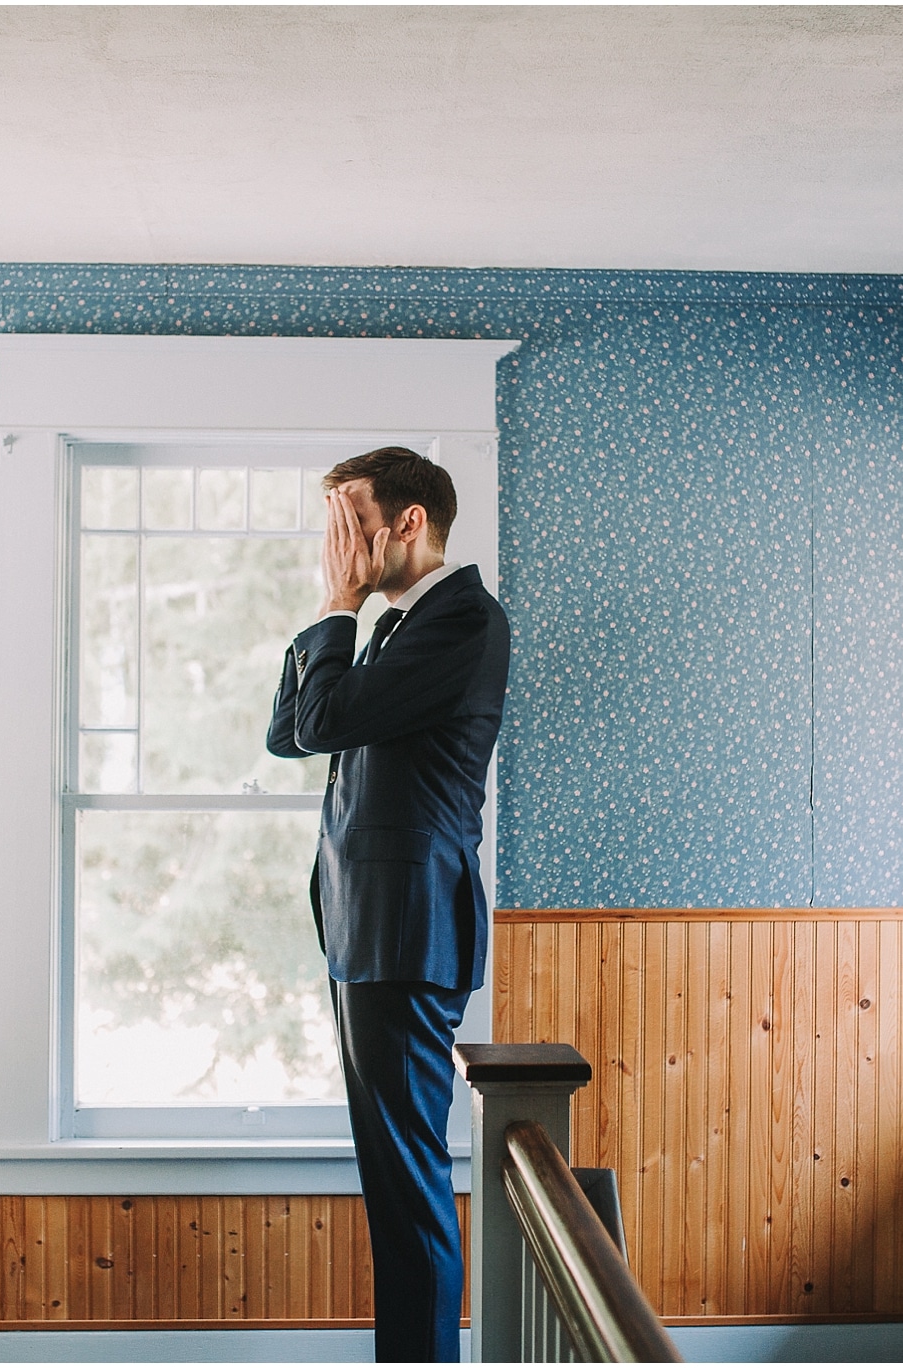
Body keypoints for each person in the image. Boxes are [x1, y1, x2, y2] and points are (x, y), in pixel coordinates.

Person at [266, 445, 510, 1363]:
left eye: (350, 522)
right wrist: (338, 612)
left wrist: (338, 604)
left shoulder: (461, 620)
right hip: (367, 930)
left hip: (406, 933)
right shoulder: (395, 624)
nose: (338, 546)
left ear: (409, 522)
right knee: (392, 1185)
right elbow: (289, 733)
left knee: (408, 1189)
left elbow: (324, 723)